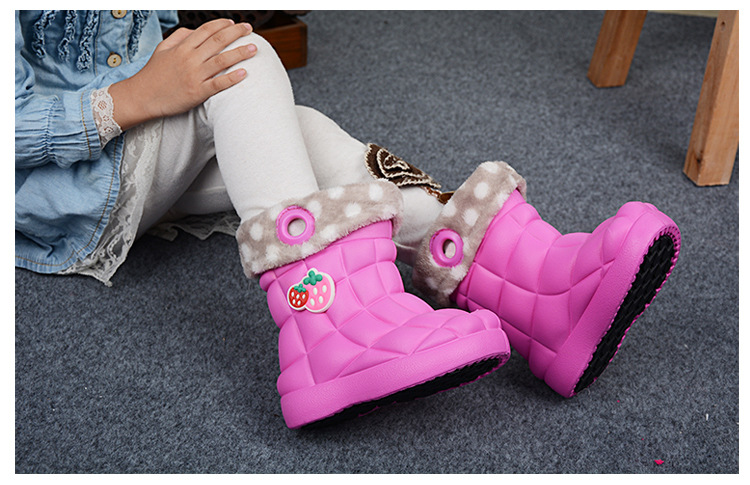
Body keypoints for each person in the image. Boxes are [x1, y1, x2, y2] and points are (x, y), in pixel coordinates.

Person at [16, 10, 681, 429]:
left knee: (300, 129)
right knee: (245, 64)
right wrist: (136, 95)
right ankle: (327, 329)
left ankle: (535, 294)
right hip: (69, 187)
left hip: (136, 148)